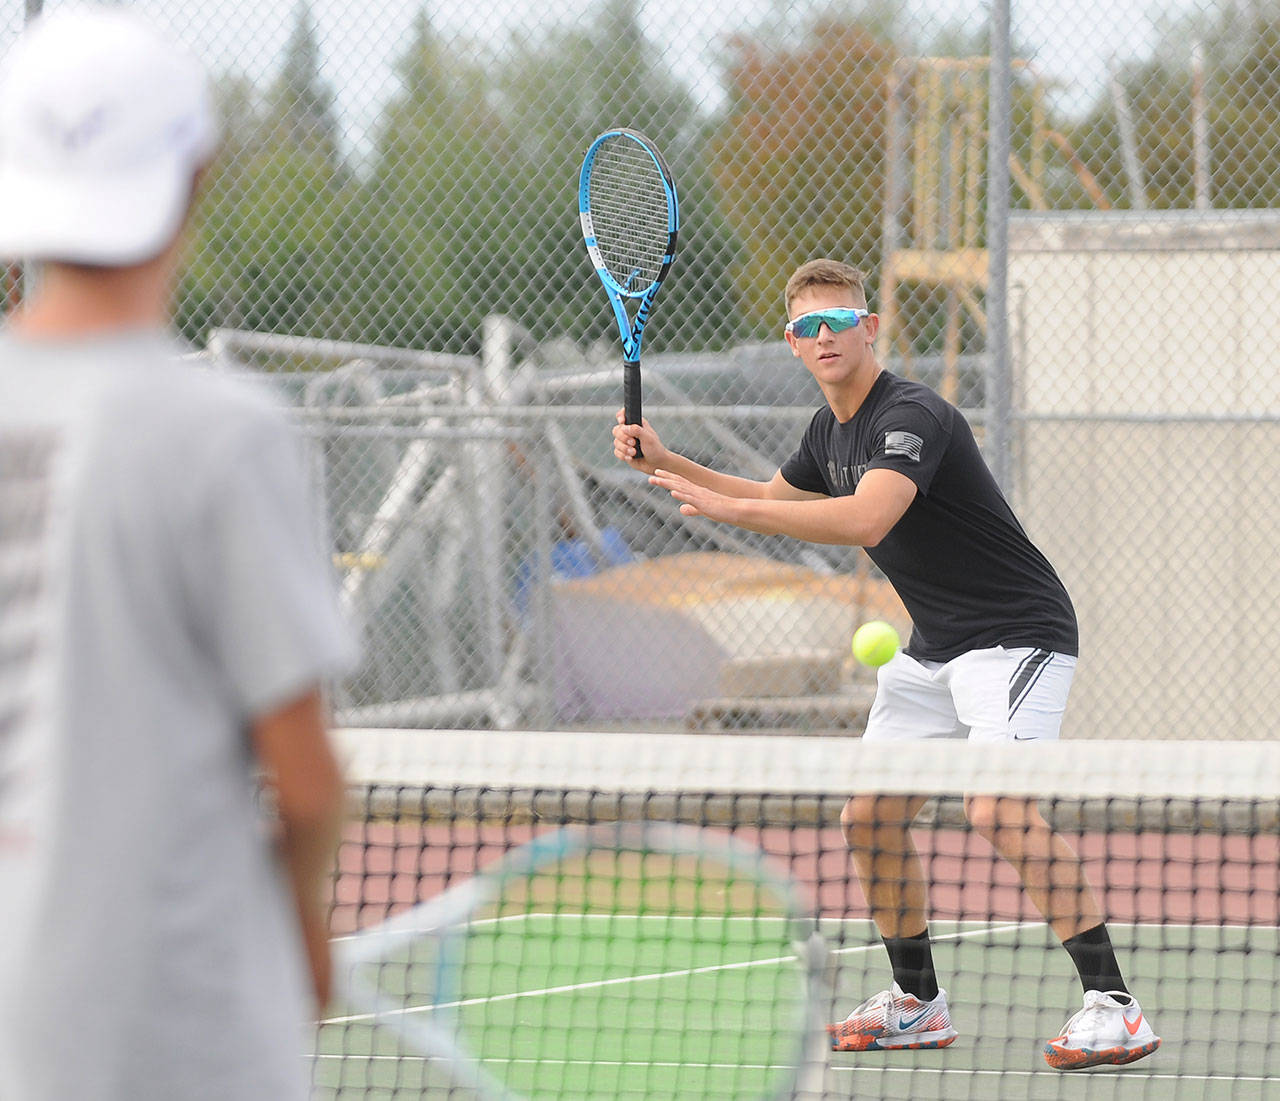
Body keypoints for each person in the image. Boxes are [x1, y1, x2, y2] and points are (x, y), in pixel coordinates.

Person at [612, 257, 1160, 1070]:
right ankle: (917, 1002)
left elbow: (868, 515)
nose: (824, 336)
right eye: (807, 326)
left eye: (839, 321)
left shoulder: (914, 414)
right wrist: (669, 462)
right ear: (791, 343)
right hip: (933, 643)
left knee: (996, 810)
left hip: (1016, 634)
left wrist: (731, 507)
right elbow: (775, 495)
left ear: (870, 328)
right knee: (868, 815)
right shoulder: (825, 432)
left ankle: (1115, 1005)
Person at [0, 8, 358, 1100]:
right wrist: (301, 928)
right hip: (181, 1025)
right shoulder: (220, 433)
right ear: (194, 180)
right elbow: (302, 783)